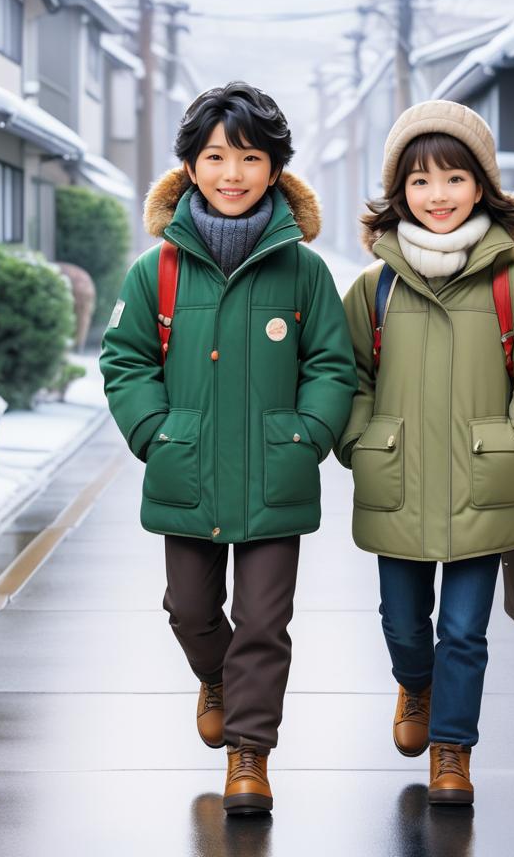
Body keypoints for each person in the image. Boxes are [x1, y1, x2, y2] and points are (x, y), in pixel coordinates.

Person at [99, 82, 356, 816]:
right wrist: (156, 431)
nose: (233, 173)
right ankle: (214, 676)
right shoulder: (159, 271)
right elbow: (125, 359)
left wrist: (307, 436)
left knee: (266, 622)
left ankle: (250, 755)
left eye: (250, 157)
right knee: (189, 609)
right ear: (190, 167)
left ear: (275, 170)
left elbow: (332, 364)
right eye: (216, 156)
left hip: (277, 475)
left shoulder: (304, 271)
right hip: (187, 470)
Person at [337, 100, 514, 805]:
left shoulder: (512, 284)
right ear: (398, 194)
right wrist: (359, 442)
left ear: (482, 186)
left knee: (465, 631)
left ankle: (452, 750)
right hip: (397, 482)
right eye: (419, 181)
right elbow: (346, 374)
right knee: (403, 624)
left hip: (485, 483)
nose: (437, 196)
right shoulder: (373, 289)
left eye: (453, 178)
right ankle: (415, 686)